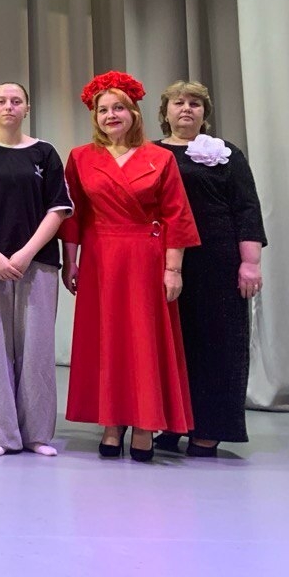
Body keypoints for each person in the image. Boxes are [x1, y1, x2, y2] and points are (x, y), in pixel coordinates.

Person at [61, 71, 200, 463]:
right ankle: (111, 422)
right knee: (107, 339)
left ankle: (143, 424)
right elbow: (73, 215)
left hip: (145, 258)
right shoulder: (80, 157)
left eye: (118, 108)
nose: (111, 115)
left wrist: (173, 269)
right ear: (95, 117)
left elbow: (176, 215)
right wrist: (70, 261)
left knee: (143, 341)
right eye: (103, 109)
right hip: (100, 259)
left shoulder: (161, 158)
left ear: (134, 112)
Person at [154, 80, 266, 457]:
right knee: (173, 345)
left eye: (195, 103)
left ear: (205, 112)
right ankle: (173, 423)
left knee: (218, 344)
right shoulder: (149, 153)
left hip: (218, 261)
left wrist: (250, 263)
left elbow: (246, 208)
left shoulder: (225, 154)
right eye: (178, 102)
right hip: (163, 261)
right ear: (165, 111)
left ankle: (210, 429)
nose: (187, 108)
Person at [0, 83, 72, 457]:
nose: (9, 106)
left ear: (27, 108)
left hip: (37, 262)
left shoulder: (45, 153)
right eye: (1, 101)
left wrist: (26, 253)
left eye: (16, 101)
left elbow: (58, 209)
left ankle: (36, 433)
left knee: (36, 347)